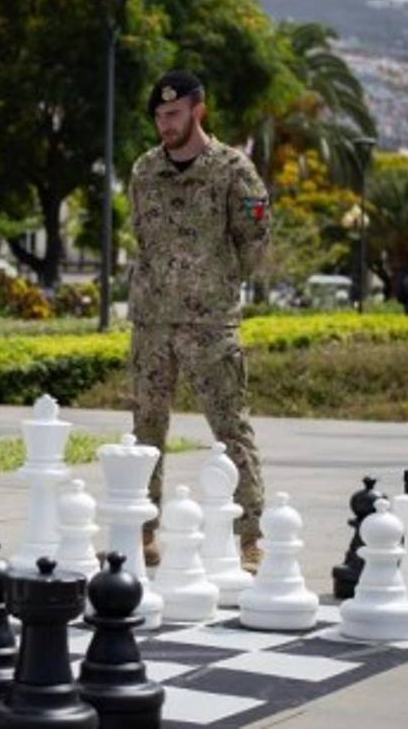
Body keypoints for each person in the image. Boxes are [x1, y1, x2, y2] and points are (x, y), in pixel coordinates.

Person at [127, 70, 272, 572]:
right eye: (158, 117)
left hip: (210, 325)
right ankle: (142, 530)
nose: (164, 125)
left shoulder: (234, 170)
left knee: (231, 430)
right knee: (145, 432)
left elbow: (254, 246)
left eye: (172, 114)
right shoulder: (144, 171)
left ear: (197, 111)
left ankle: (251, 539)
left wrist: (212, 284)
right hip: (151, 323)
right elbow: (142, 236)